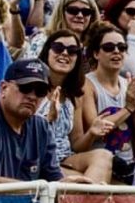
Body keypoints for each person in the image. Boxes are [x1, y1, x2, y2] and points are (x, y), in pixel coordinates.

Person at [0, 58, 67, 183]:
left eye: (40, 91)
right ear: (3, 88)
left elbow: (54, 179)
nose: (32, 96)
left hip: (26, 200)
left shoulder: (41, 126)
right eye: (25, 87)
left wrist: (69, 187)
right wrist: (42, 191)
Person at [36, 30, 113, 184]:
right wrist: (48, 120)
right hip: (38, 159)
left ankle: (85, 202)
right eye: (58, 48)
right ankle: (87, 202)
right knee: (84, 183)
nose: (65, 53)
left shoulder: (75, 95)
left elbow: (76, 144)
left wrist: (91, 133)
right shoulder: (34, 88)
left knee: (104, 156)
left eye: (72, 51)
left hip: (66, 157)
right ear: (47, 52)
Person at [82, 22, 135, 182]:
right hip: (99, 167)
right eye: (109, 47)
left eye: (121, 47)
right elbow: (97, 127)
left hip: (128, 166)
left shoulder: (130, 84)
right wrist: (128, 108)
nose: (116, 51)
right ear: (96, 53)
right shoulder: (87, 84)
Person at [23, 0, 100, 59]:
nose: (80, 15)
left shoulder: (97, 45)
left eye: (86, 12)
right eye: (73, 10)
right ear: (61, 12)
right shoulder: (42, 40)